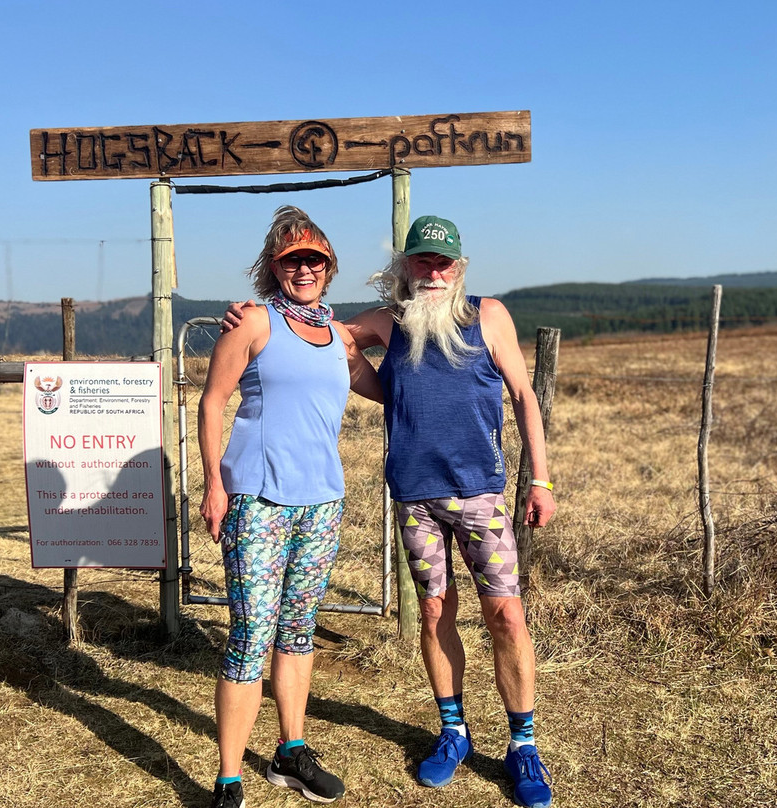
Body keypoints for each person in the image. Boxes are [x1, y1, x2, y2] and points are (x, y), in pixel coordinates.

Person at [224, 215, 556, 808]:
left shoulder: (490, 315)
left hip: (480, 493)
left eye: (443, 262)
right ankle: (452, 732)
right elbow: (324, 337)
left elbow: (525, 395)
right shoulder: (389, 322)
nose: (433, 271)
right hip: (414, 495)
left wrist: (542, 479)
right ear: (405, 268)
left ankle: (523, 745)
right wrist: (251, 316)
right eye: (422, 261)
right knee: (433, 611)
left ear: (460, 268)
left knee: (505, 613)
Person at [199, 205, 382, 808]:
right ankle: (229, 779)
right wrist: (214, 485)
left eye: (313, 260)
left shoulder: (339, 337)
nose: (303, 269)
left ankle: (291, 751)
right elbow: (213, 401)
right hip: (258, 499)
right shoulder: (252, 322)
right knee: (251, 634)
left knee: (298, 633)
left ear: (328, 268)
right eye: (291, 261)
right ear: (273, 269)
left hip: (321, 503)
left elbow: (386, 382)